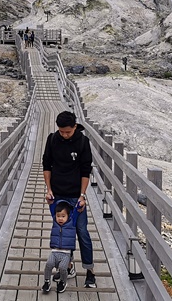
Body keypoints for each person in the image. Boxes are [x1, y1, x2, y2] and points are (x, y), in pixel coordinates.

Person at [42, 110, 97, 288]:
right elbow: (46, 164)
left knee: (82, 232)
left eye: (68, 131)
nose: (65, 135)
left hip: (75, 195)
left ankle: (90, 271)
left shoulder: (82, 142)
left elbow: (85, 170)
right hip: (58, 194)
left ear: (75, 127)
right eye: (62, 132)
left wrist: (82, 195)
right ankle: (69, 266)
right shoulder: (52, 139)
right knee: (63, 233)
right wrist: (49, 189)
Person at [42, 200, 79, 294]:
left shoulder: (72, 222)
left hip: (66, 253)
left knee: (63, 268)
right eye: (58, 216)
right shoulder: (55, 222)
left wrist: (79, 204)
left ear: (68, 216)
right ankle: (47, 281)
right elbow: (52, 207)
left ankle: (63, 282)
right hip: (54, 251)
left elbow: (75, 212)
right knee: (48, 264)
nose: (60, 219)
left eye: (63, 216)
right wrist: (50, 200)